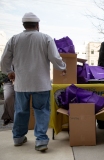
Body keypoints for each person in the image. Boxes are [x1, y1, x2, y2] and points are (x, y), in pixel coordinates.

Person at [0, 12, 66, 152]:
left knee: (21, 111)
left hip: (21, 84)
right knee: (41, 111)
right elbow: (55, 57)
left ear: (23, 25)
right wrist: (63, 67)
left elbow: (4, 60)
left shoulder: (14, 39)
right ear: (37, 25)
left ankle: (18, 138)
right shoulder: (45, 38)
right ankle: (41, 140)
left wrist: (9, 72)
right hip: (41, 83)